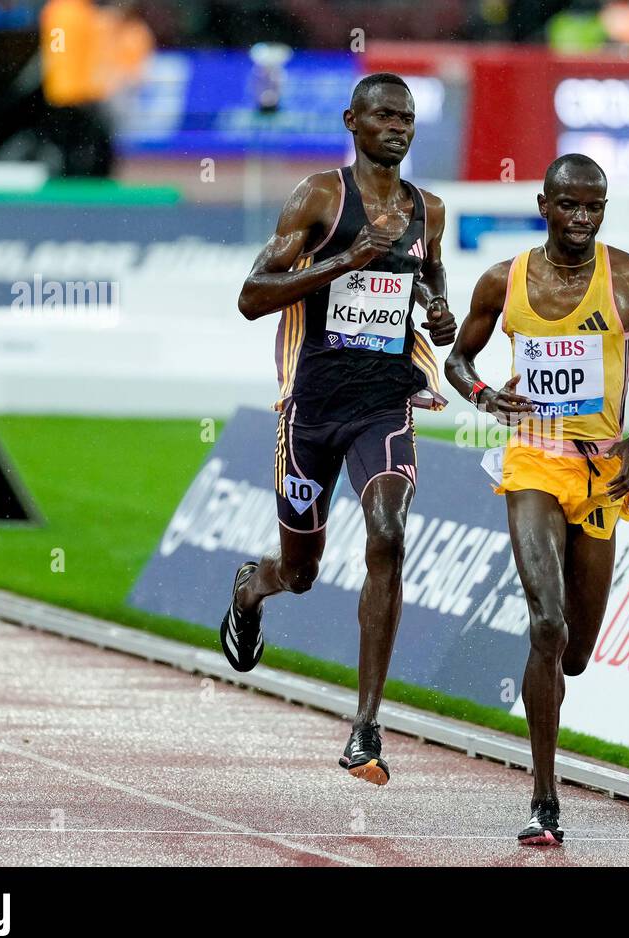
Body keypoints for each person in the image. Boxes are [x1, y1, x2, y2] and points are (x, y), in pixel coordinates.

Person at [445, 154, 629, 845]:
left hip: (603, 473)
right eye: (570, 205)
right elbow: (459, 359)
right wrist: (487, 396)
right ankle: (544, 799)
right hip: (533, 461)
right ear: (544, 205)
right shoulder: (505, 280)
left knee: (575, 652)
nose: (582, 219)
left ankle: (549, 709)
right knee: (545, 624)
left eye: (594, 207)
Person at [222, 73, 456, 787]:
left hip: (383, 406)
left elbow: (432, 284)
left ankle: (366, 725)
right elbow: (251, 297)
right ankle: (249, 588)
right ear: (352, 122)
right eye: (383, 114)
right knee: (300, 573)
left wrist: (439, 317)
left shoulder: (429, 209)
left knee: (388, 533)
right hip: (311, 410)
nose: (398, 126)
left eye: (407, 117)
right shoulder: (321, 197)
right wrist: (342, 261)